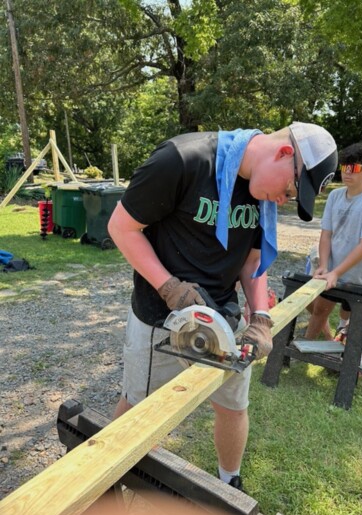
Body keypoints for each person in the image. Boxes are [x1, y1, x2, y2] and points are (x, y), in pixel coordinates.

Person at [108, 122, 338, 489]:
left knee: (233, 406)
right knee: (139, 406)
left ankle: (230, 483)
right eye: (292, 189)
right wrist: (169, 287)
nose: (284, 199)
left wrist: (260, 316)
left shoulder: (260, 194)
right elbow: (122, 228)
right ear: (283, 154)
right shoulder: (182, 160)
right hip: (159, 314)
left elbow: (252, 262)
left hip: (222, 317)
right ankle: (106, 476)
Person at [305, 143, 362, 405]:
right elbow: (326, 233)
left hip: (361, 277)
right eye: (344, 167)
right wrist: (323, 265)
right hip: (333, 272)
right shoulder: (335, 197)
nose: (347, 173)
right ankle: (300, 355)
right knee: (319, 311)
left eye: (353, 168)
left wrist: (337, 272)